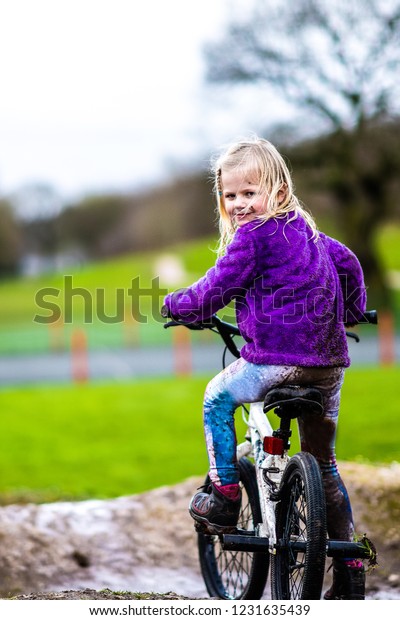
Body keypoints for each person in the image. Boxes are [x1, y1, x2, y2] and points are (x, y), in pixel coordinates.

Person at [161, 137, 368, 600]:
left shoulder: (253, 238)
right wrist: (353, 311)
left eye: (249, 192)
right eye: (230, 195)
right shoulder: (312, 236)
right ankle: (352, 566)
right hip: (329, 365)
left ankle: (225, 495)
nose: (239, 204)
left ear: (277, 189)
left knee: (217, 396)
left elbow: (213, 289)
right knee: (325, 465)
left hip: (273, 359)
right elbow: (350, 264)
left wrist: (177, 306)